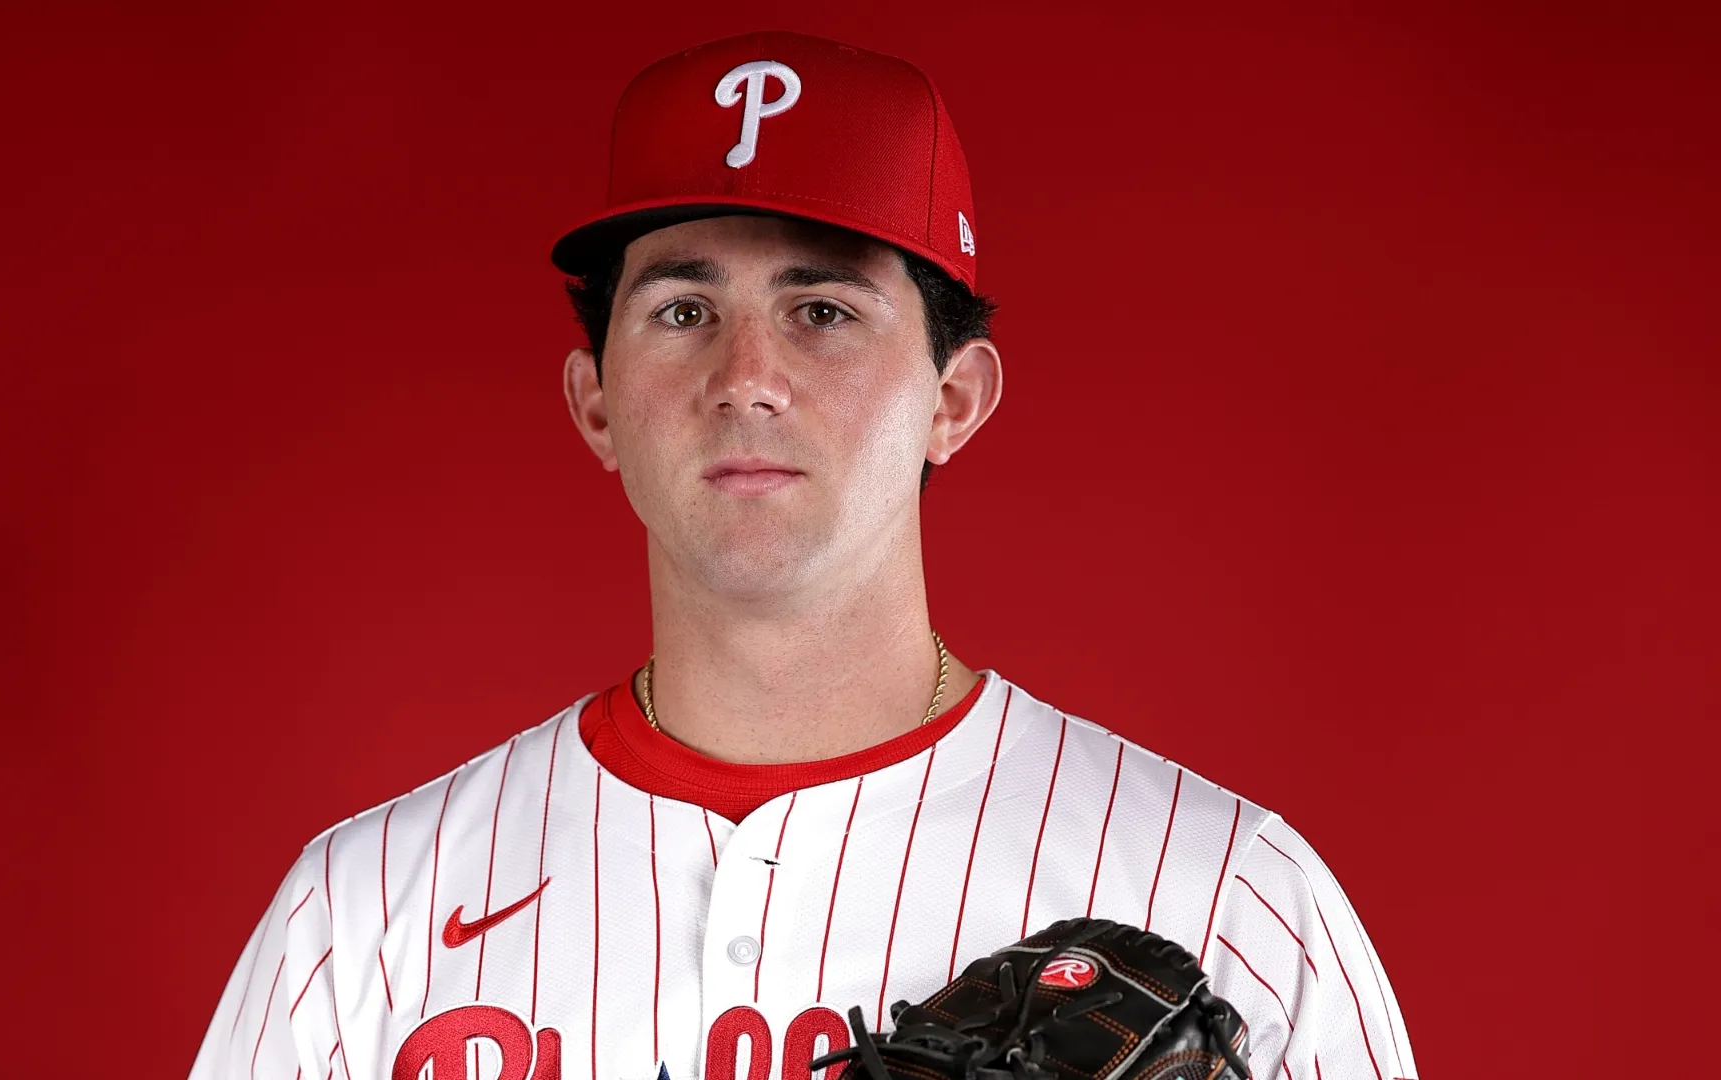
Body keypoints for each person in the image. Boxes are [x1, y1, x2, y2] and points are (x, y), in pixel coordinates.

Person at [190, 31, 1415, 1080]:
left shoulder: (1229, 895)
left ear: (955, 397)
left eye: (822, 310)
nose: (747, 379)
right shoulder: (360, 920)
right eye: (683, 310)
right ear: (596, 401)